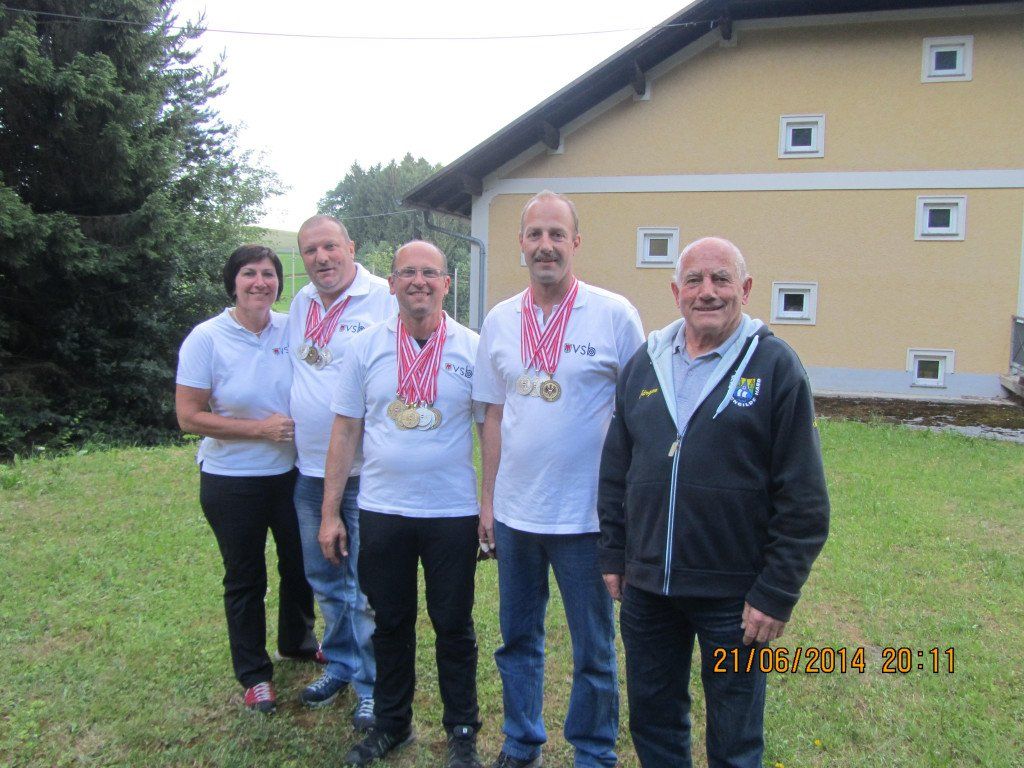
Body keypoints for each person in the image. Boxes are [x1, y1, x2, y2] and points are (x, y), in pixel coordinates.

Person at [597, 236, 830, 768]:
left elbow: (805, 500)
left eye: (721, 279)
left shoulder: (775, 366)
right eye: (695, 280)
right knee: (654, 721)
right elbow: (615, 471)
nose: (707, 291)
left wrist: (775, 593)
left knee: (735, 735)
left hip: (735, 599)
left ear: (744, 289)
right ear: (676, 292)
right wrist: (613, 553)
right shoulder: (645, 364)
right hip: (649, 590)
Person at [473, 191, 645, 768]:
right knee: (518, 640)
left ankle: (593, 753)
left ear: (576, 241)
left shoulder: (614, 315)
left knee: (594, 648)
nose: (545, 245)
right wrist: (488, 502)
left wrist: (626, 510)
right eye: (534, 234)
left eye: (556, 234)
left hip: (587, 518)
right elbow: (493, 414)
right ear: (520, 243)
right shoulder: (499, 320)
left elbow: (639, 414)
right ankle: (521, 742)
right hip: (516, 515)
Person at [322, 240, 484, 768]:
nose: (419, 281)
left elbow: (491, 431)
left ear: (447, 284)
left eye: (430, 273)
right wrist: (329, 512)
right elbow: (345, 429)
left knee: (453, 624)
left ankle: (462, 730)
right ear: (391, 283)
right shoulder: (365, 347)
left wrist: (489, 506)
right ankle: (392, 724)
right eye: (408, 272)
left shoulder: (473, 348)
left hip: (451, 513)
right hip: (383, 509)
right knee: (389, 623)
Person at [175, 244, 317, 715]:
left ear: (280, 282)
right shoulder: (206, 338)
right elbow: (188, 417)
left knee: (300, 565)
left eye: (269, 274)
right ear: (232, 283)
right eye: (249, 274)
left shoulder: (291, 329)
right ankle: (255, 674)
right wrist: (259, 430)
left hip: (292, 474)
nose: (260, 282)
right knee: (245, 577)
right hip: (231, 479)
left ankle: (298, 641)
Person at [288, 215, 395, 727]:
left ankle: (373, 683)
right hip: (309, 471)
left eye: (330, 246)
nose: (321, 258)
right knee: (325, 579)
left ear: (351, 247)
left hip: (364, 474)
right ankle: (341, 664)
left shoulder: (383, 299)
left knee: (364, 587)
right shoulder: (301, 303)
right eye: (310, 250)